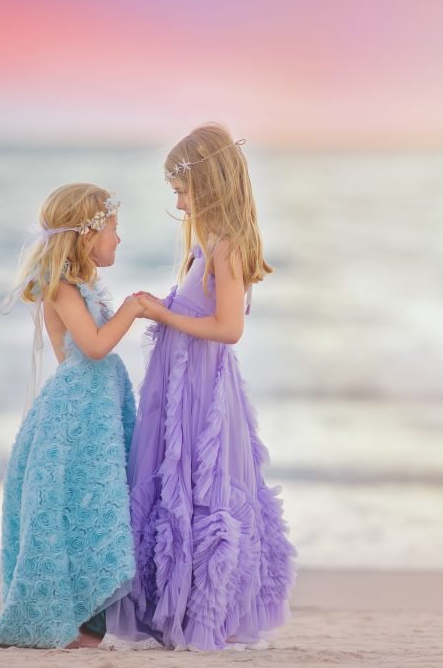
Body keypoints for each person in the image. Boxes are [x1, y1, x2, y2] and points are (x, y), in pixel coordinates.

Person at [103, 125, 296, 651]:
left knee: (203, 491)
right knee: (173, 488)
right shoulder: (202, 248)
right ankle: (175, 605)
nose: (178, 200)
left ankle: (211, 613)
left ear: (208, 185)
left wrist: (162, 312)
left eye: (182, 189)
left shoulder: (226, 249)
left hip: (202, 395)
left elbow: (229, 329)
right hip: (178, 388)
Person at [0, 183, 144, 648]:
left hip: (95, 409)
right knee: (73, 508)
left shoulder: (82, 285)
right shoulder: (61, 288)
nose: (119, 239)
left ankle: (90, 623)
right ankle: (72, 623)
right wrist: (134, 309)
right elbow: (93, 348)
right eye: (113, 230)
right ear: (86, 235)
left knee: (94, 510)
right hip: (76, 414)